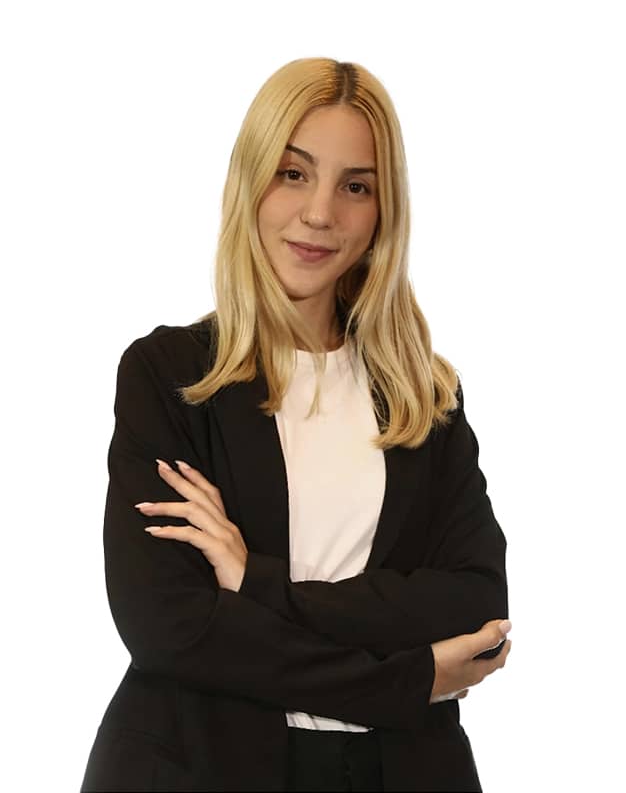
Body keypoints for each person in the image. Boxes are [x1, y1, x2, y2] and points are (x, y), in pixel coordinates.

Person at [80, 57, 511, 793]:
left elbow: (475, 605)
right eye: (293, 173)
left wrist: (255, 585)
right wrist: (406, 681)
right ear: (250, 181)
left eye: (356, 186)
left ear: (384, 212)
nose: (320, 213)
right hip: (202, 769)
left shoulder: (425, 397)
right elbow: (170, 628)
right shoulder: (170, 376)